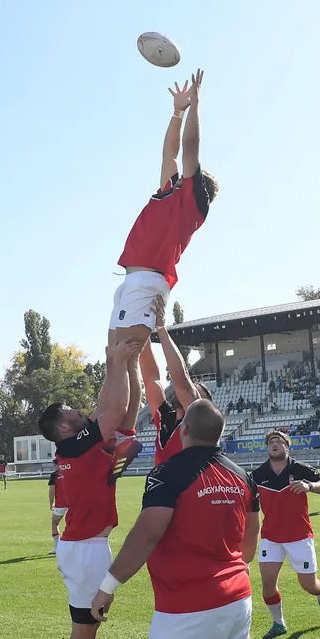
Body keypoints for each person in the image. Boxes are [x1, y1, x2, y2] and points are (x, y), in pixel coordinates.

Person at [106, 69, 215, 469]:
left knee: (128, 358)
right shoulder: (168, 190)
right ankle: (119, 430)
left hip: (148, 279)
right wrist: (176, 111)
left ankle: (124, 435)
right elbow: (169, 152)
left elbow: (189, 149)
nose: (182, 172)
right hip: (134, 279)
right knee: (113, 356)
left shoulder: (192, 202)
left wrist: (196, 107)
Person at [89, 400, 258, 639]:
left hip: (187, 608)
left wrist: (107, 587)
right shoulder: (243, 477)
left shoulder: (168, 473)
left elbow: (146, 536)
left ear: (183, 430)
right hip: (238, 599)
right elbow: (250, 540)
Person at [38, 335, 136, 639]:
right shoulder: (77, 446)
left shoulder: (73, 445)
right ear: (64, 428)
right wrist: (118, 363)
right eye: (69, 411)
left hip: (84, 547)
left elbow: (104, 405)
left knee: (86, 625)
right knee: (85, 629)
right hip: (85, 550)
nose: (78, 411)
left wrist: (111, 363)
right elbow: (117, 408)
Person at [251, 430, 320, 639]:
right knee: (268, 583)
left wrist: (310, 486)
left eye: (279, 441)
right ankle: (279, 624)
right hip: (270, 537)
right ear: (267, 447)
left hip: (299, 536)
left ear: (287, 447)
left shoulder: (299, 469)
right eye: (271, 442)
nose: (275, 444)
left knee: (308, 584)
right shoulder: (258, 474)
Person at [143, 295, 209, 467]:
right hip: (162, 492)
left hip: (187, 491)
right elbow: (151, 379)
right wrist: (142, 332)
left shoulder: (196, 425)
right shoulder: (166, 417)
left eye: (196, 391)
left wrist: (161, 328)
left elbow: (182, 380)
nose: (189, 390)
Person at [49, 469, 67, 555]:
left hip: (60, 504)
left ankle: (57, 546)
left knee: (54, 523)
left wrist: (51, 503)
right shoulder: (72, 471)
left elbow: (52, 491)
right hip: (73, 504)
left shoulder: (54, 475)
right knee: (74, 524)